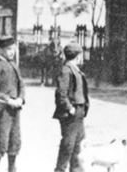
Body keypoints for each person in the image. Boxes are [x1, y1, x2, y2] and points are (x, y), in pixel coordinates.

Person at [0, 36, 25, 172]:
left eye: (13, 49)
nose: (12, 52)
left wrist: (20, 98)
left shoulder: (14, 65)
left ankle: (11, 169)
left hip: (15, 108)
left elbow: (22, 85)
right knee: (2, 140)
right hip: (3, 110)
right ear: (0, 50)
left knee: (15, 140)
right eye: (8, 49)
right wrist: (8, 100)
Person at [52, 43, 89, 172]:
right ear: (77, 56)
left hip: (79, 112)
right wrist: (69, 108)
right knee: (68, 146)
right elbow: (61, 94)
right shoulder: (66, 70)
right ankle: (60, 170)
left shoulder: (75, 69)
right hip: (71, 114)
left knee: (78, 147)